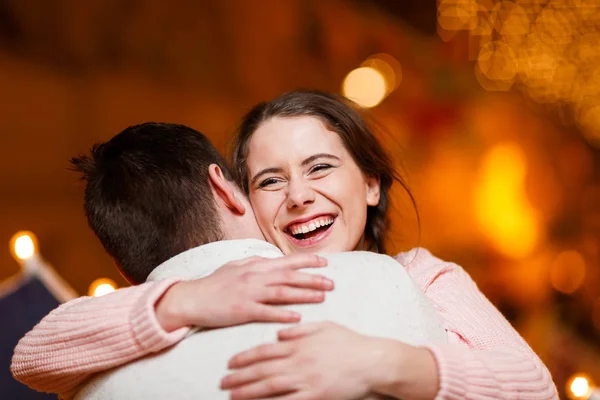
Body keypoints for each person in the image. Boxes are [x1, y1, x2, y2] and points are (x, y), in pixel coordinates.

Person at [12, 90, 558, 399]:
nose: (299, 196)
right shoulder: (222, 284)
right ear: (240, 201)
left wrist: (378, 362)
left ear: (370, 183)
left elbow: (536, 389)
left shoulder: (420, 275)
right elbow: (36, 352)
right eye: (270, 180)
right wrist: (186, 299)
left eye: (320, 167)